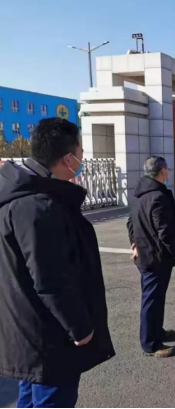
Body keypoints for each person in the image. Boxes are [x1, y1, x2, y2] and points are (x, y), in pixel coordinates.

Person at [0, 118, 115, 408]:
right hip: (49, 337)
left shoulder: (16, 194)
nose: (83, 157)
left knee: (29, 397)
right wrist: (80, 328)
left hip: (24, 329)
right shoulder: (39, 206)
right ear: (68, 159)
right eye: (81, 151)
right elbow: (51, 279)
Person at [127, 157, 175, 358]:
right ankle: (150, 344)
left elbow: (130, 222)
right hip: (156, 257)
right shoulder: (158, 196)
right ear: (163, 171)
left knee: (156, 297)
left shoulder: (139, 193)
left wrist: (134, 243)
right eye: (167, 169)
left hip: (145, 253)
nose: (168, 172)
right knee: (152, 300)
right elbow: (166, 232)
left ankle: (156, 331)